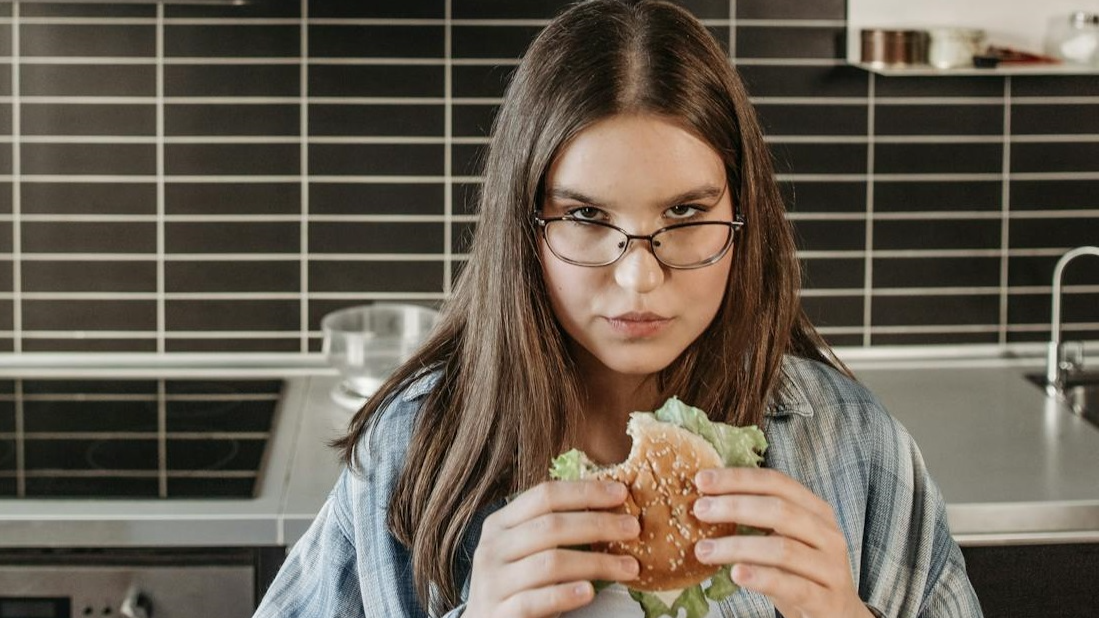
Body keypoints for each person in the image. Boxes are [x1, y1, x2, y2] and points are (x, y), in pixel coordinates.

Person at [254, 1, 983, 617]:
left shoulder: (852, 444)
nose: (638, 278)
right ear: (524, 229)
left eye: (686, 213)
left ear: (743, 216)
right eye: (585, 216)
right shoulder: (410, 453)